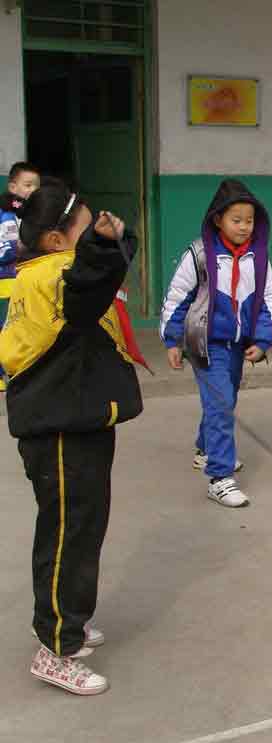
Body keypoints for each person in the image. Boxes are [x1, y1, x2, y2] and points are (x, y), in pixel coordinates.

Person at [0, 179, 145, 695]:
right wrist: (109, 245)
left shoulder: (53, 271)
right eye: (89, 227)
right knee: (68, 537)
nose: (100, 230)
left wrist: (112, 242)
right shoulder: (58, 275)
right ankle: (55, 647)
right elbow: (90, 281)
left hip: (74, 421)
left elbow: (100, 277)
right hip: (59, 429)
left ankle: (67, 623)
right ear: (57, 240)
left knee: (78, 529)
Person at [160, 179, 272, 508]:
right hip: (205, 344)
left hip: (238, 345)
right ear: (218, 219)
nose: (244, 227)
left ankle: (205, 449)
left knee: (224, 399)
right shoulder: (199, 254)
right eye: (236, 220)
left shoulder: (259, 257)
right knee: (222, 404)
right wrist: (173, 340)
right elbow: (177, 298)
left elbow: (269, 299)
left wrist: (263, 339)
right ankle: (220, 477)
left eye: (249, 220)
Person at [0, 162, 41, 391]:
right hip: (4, 281)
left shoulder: (34, 214)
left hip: (26, 279)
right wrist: (16, 249)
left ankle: (20, 371)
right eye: (27, 185)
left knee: (24, 326)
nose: (32, 190)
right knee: (4, 327)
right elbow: (5, 248)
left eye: (36, 185)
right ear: (12, 187)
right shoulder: (5, 212)